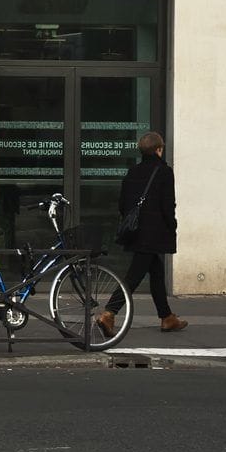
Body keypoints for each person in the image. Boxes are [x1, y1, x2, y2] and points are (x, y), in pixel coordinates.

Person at [97, 131, 188, 336]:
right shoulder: (164, 172)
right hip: (154, 233)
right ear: (159, 149)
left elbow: (122, 205)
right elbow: (167, 205)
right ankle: (109, 313)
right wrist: (172, 225)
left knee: (155, 273)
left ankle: (167, 317)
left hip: (137, 232)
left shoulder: (133, 172)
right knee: (134, 276)